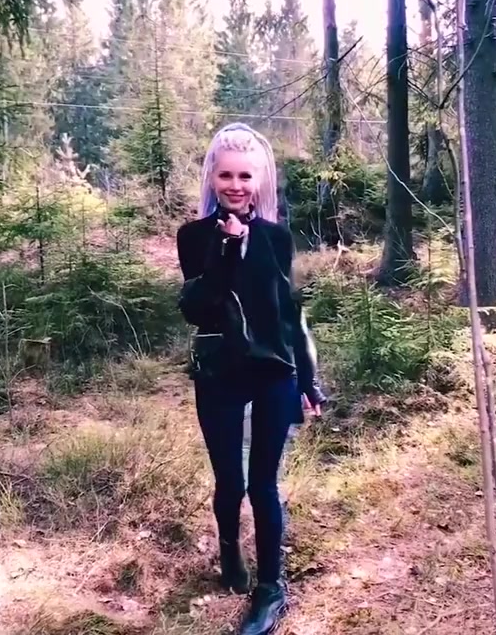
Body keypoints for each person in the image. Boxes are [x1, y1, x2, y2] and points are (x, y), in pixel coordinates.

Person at [176, 123, 327, 635]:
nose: (236, 186)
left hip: (273, 370)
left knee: (264, 484)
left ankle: (270, 588)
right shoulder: (193, 236)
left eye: (245, 176)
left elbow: (289, 312)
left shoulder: (276, 238)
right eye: (226, 176)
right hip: (219, 370)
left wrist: (308, 379)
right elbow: (200, 307)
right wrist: (225, 246)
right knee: (230, 481)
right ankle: (229, 554)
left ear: (260, 181)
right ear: (212, 178)